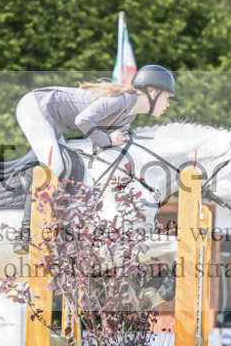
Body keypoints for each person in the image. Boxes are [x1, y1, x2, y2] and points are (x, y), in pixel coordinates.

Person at [12, 65, 177, 252]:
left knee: (71, 167)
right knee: (55, 166)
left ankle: (65, 229)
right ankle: (26, 233)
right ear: (153, 93)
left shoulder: (128, 117)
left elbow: (102, 146)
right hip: (35, 108)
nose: (168, 104)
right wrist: (108, 140)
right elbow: (82, 121)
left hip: (54, 121)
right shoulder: (122, 100)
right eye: (167, 98)